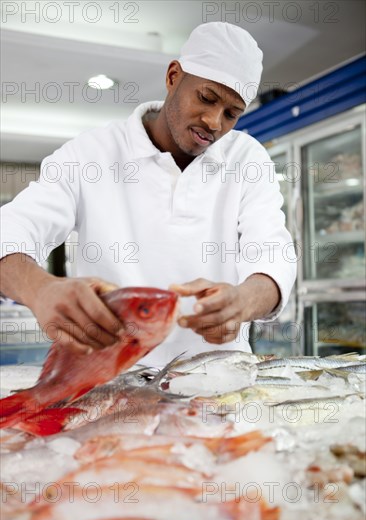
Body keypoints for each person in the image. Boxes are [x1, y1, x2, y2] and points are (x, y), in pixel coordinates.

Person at [0, 22, 296, 367]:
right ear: (173, 76)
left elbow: (272, 251)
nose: (214, 122)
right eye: (206, 98)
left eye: (231, 114)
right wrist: (41, 289)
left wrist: (243, 300)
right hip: (111, 380)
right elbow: (13, 228)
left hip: (216, 382)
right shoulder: (91, 153)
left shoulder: (247, 158)